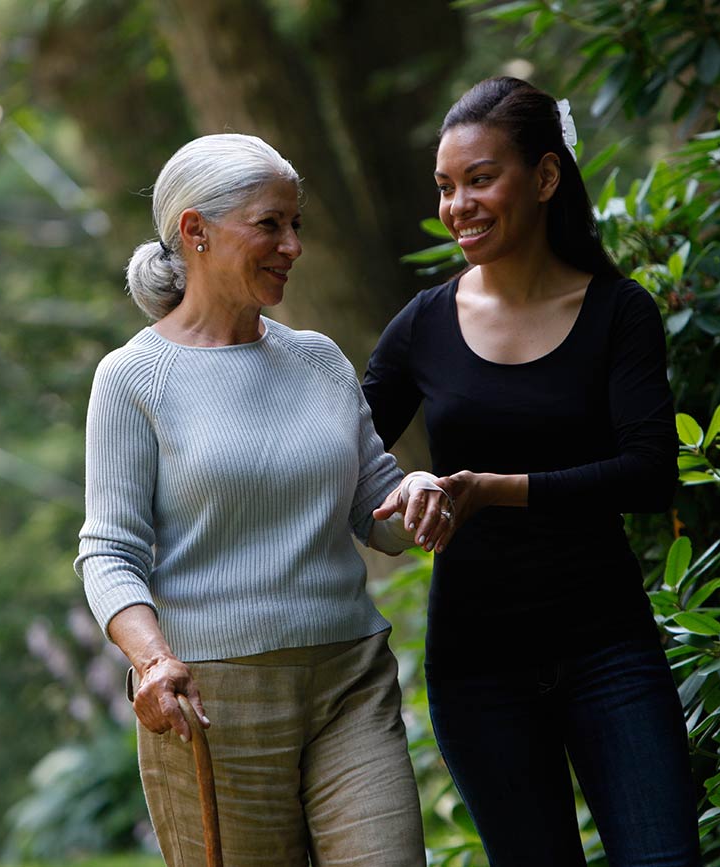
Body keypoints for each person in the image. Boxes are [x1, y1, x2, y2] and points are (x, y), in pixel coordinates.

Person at [75, 133, 454, 867]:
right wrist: (151, 661)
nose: (293, 245)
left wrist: (413, 493)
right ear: (195, 231)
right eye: (269, 224)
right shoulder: (132, 378)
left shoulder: (317, 358)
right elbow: (109, 550)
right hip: (212, 702)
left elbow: (373, 506)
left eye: (296, 224)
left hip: (349, 678)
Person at [362, 77, 701, 866]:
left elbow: (648, 475)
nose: (458, 205)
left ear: (545, 178)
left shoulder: (619, 313)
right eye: (446, 187)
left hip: (608, 651)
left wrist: (496, 490)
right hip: (477, 669)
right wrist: (409, 484)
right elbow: (343, 451)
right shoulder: (422, 325)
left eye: (480, 178)